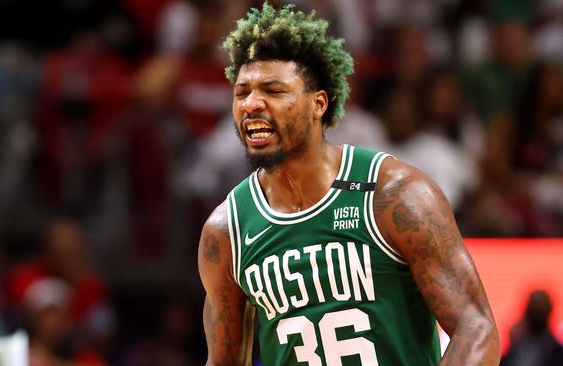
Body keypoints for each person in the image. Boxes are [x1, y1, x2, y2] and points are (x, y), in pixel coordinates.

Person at [197, 3, 500, 365]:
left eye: (273, 91)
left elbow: (476, 327)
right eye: (241, 92)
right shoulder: (226, 231)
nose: (252, 104)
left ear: (318, 104)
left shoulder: (395, 195)